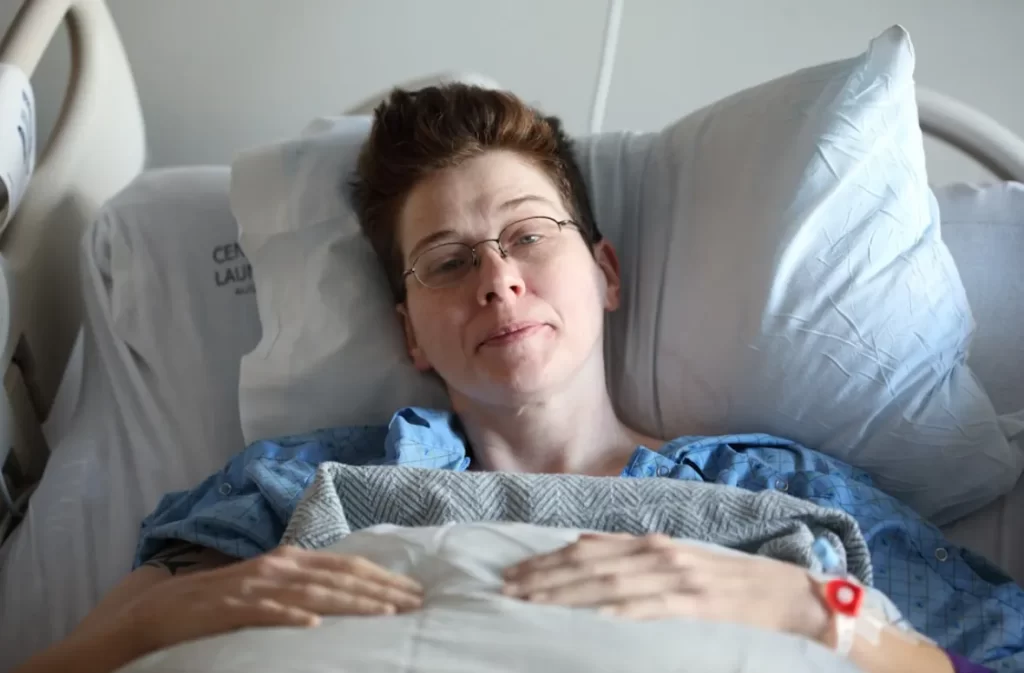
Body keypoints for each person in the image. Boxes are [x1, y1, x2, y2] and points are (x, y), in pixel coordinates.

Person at [13, 85, 1008, 673]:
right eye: (447, 259)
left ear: (605, 273)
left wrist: (809, 609)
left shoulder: (778, 493)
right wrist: (152, 624)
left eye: (529, 235)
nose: (496, 276)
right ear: (410, 329)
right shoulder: (283, 486)